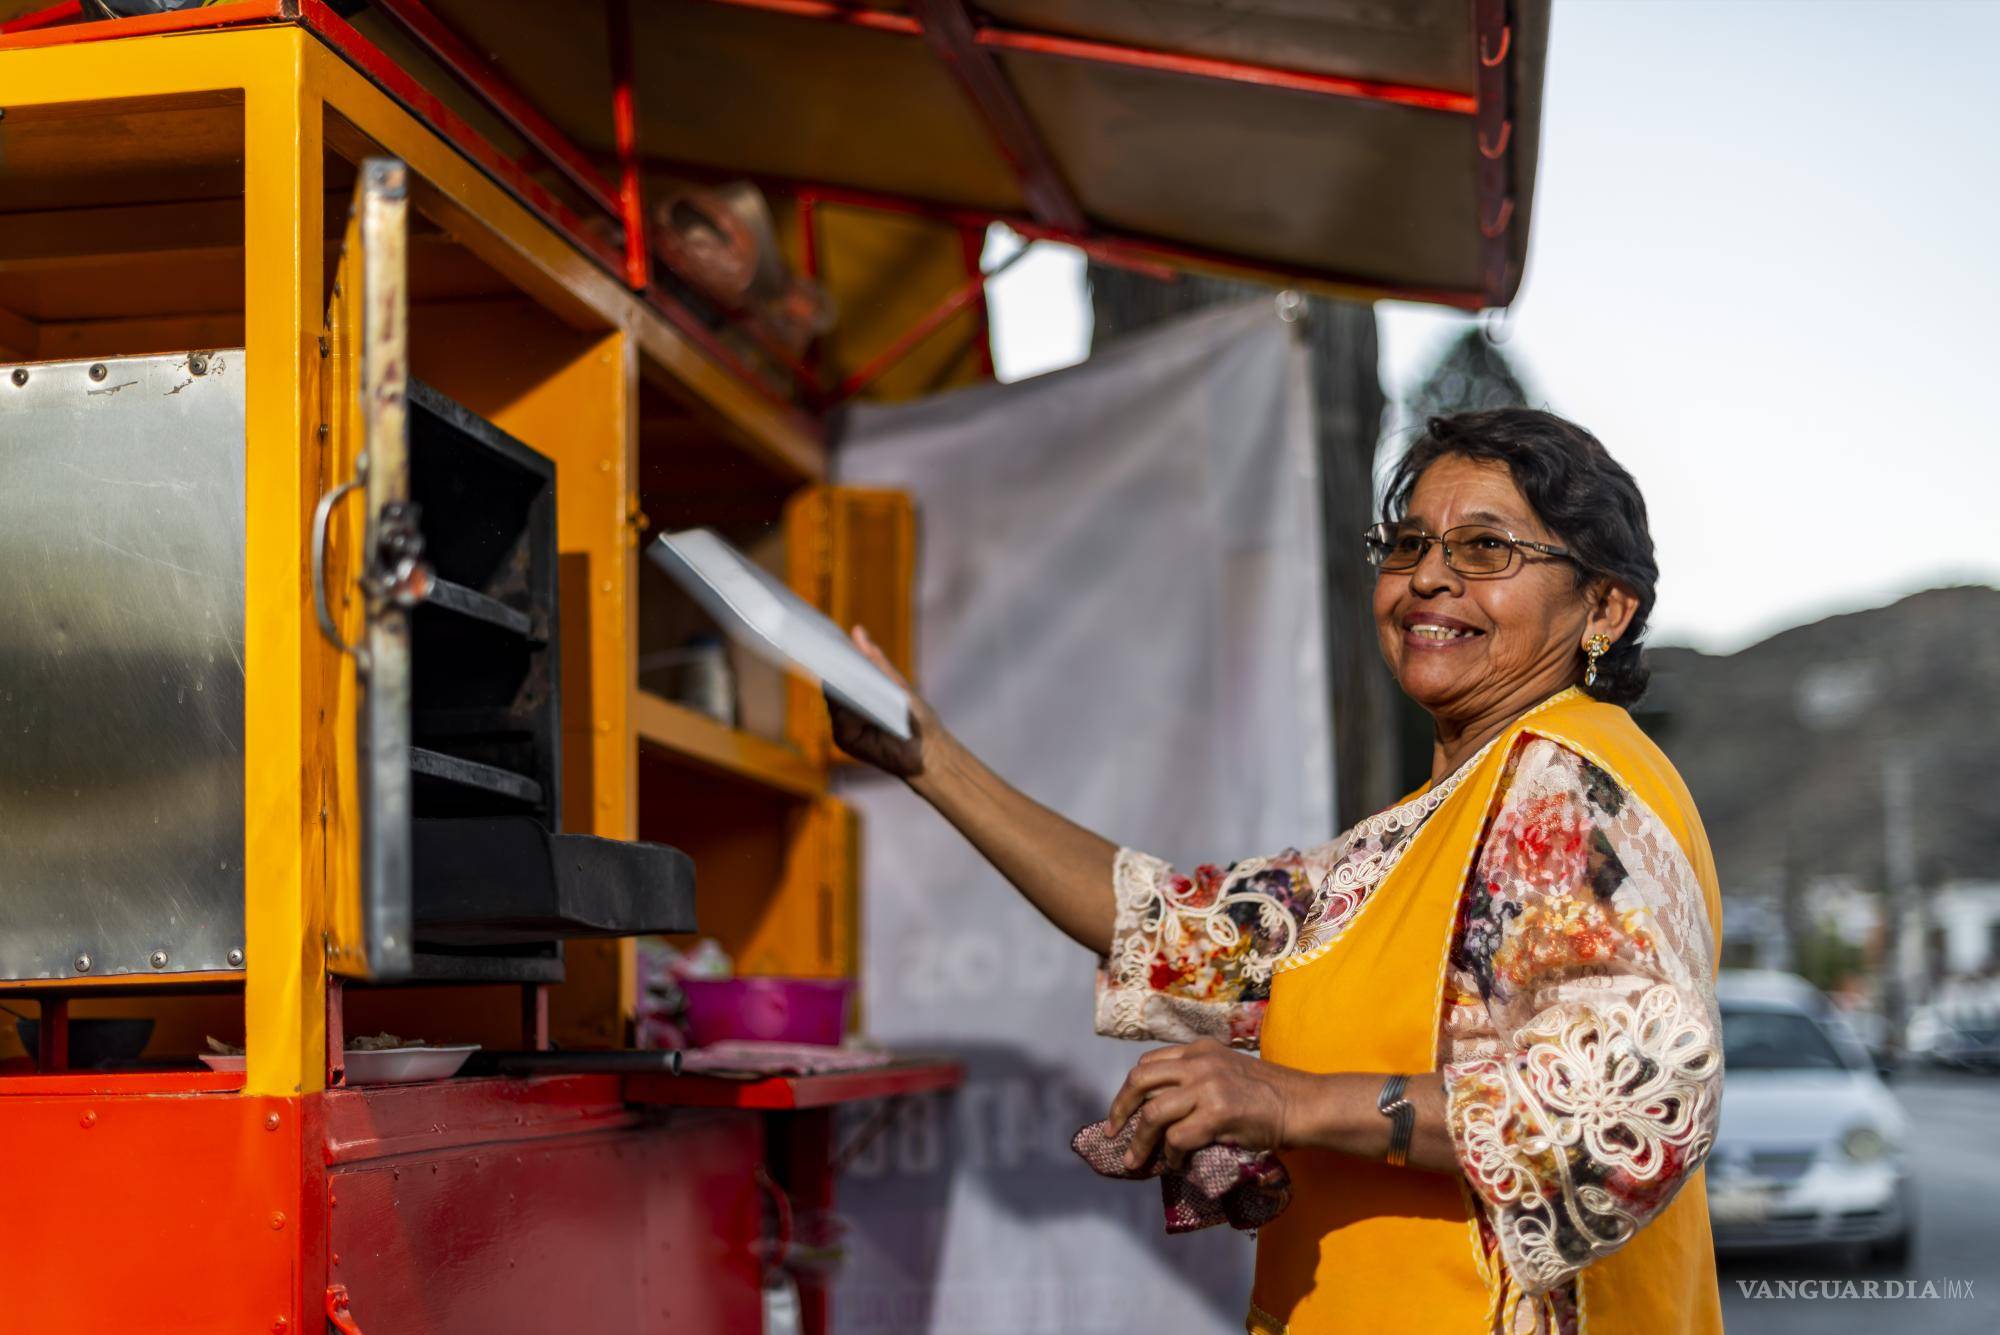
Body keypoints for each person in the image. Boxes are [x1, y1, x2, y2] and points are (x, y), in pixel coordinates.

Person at [831, 408, 1725, 1335]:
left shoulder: (1565, 785)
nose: (1427, 576)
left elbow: (1636, 1091)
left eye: (1486, 548)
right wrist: (927, 756)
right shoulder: (1447, 818)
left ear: (1604, 607)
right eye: (1409, 541)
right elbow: (1182, 931)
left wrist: (1291, 1100)